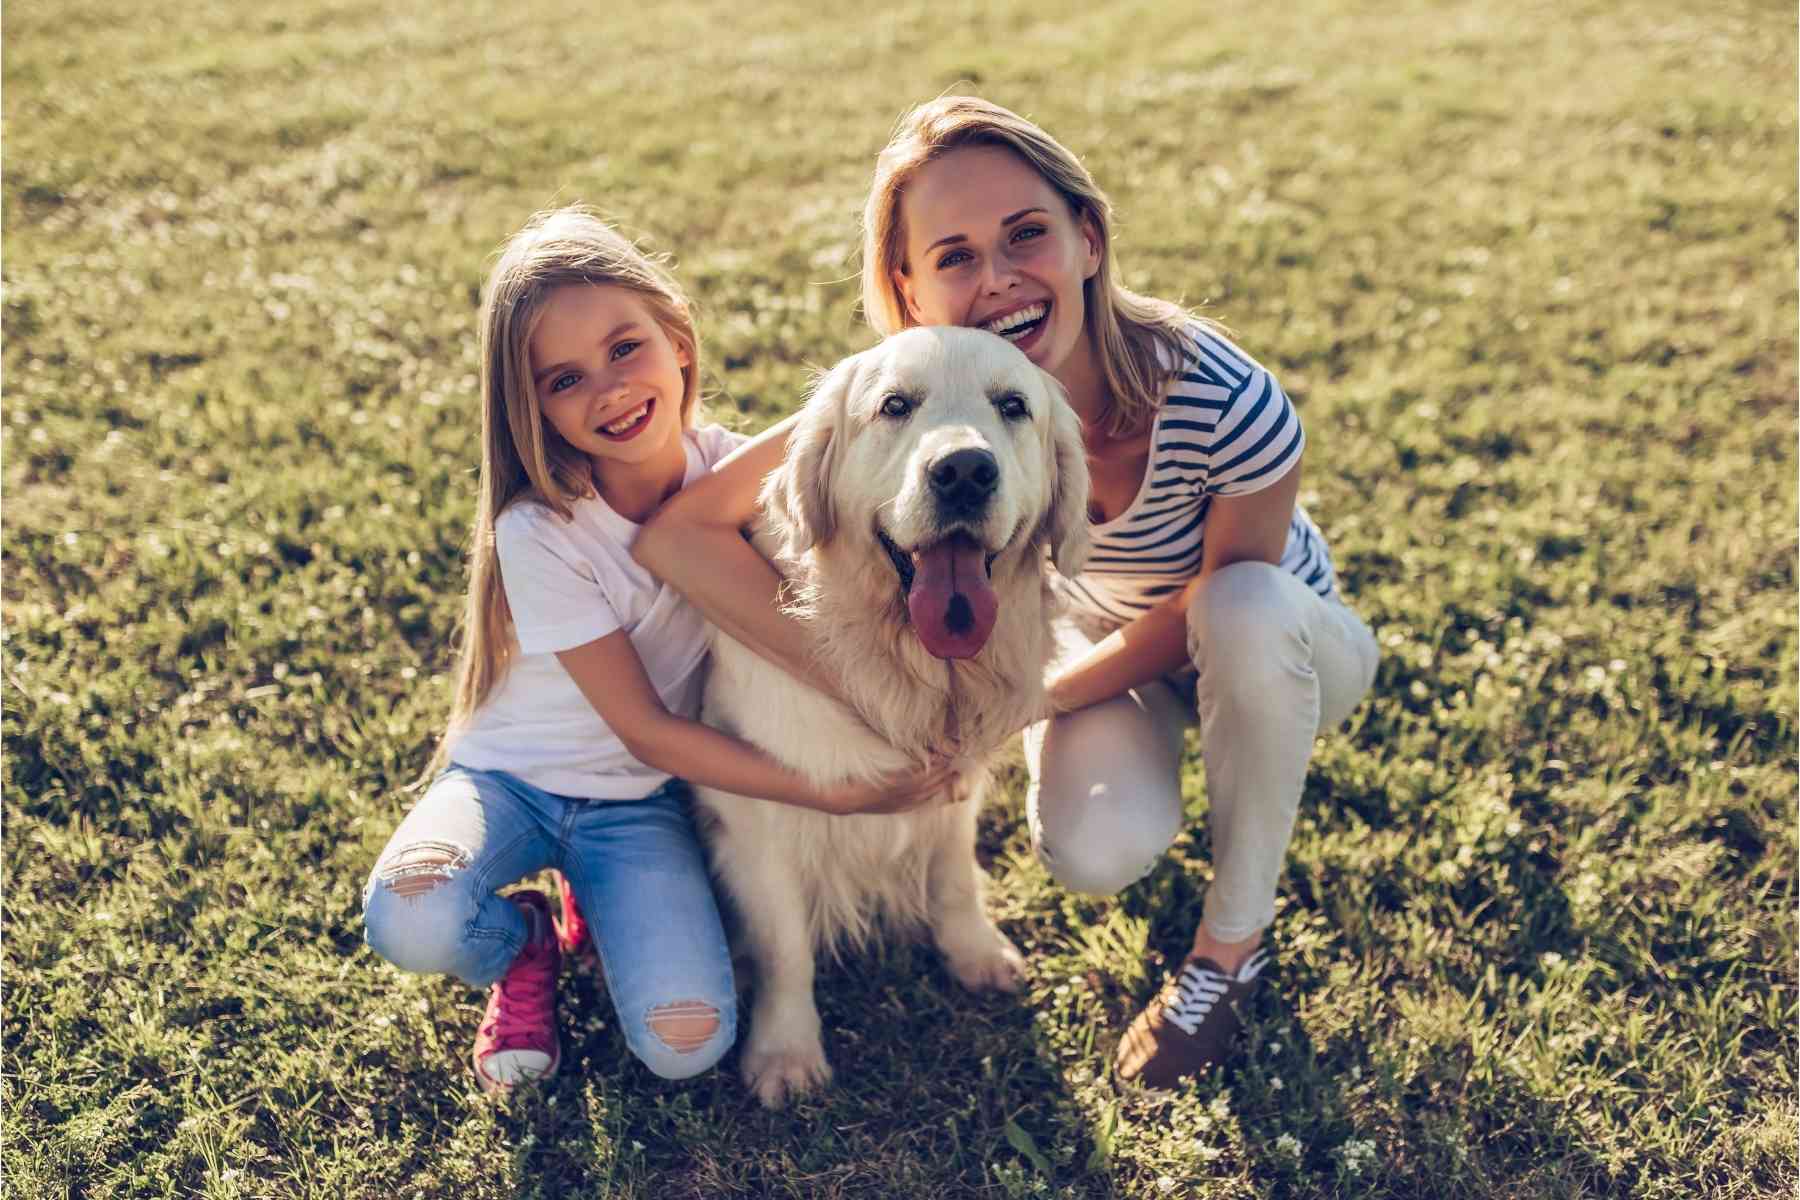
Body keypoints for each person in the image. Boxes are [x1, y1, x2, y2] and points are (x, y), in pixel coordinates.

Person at [635, 98, 1379, 1088]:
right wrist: (845, 670)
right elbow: (686, 533)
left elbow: (1209, 601)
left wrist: (1026, 699)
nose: (998, 279)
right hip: (1095, 652)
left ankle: (1227, 953)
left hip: (1276, 641)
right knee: (1095, 852)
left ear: (1090, 239)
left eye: (1027, 235)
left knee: (1238, 613)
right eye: (955, 255)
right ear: (909, 288)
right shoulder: (887, 394)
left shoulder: (1223, 401)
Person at [361, 207, 953, 1094]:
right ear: (533, 407)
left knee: (688, 1043)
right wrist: (833, 790)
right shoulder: (540, 529)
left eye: (626, 347)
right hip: (508, 782)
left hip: (638, 812)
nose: (608, 389)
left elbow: (846, 425)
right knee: (413, 918)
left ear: (678, 339)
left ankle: (598, 901)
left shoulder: (737, 481)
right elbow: (643, 727)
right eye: (565, 379)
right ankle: (524, 943)